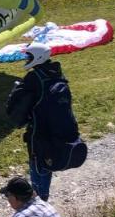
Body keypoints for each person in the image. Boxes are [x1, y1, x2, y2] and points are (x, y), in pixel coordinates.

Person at [5, 43, 78, 201]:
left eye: (29, 56)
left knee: (38, 166)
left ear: (38, 58)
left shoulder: (35, 77)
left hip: (39, 132)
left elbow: (19, 103)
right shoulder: (56, 73)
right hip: (55, 131)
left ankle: (37, 205)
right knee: (47, 164)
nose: (27, 59)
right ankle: (41, 201)